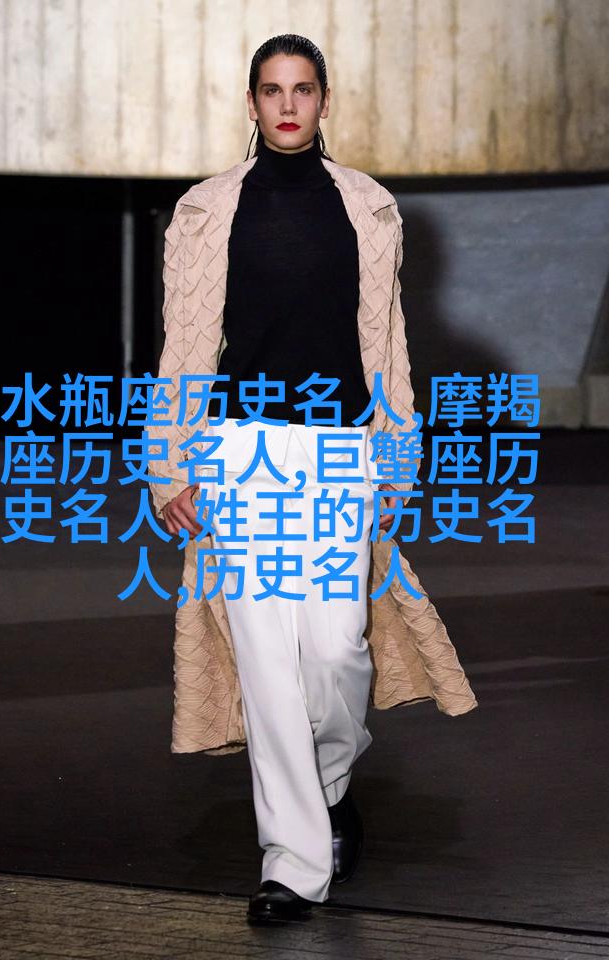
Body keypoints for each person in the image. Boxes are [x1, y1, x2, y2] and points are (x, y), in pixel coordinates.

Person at [149, 33, 478, 926]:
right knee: (265, 662)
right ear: (252, 102)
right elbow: (184, 344)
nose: (287, 105)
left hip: (340, 452)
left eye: (302, 89)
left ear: (325, 100)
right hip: (239, 449)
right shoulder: (207, 209)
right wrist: (168, 464)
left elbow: (390, 345)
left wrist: (398, 458)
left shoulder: (368, 206)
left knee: (336, 651)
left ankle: (330, 783)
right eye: (272, 90)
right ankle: (291, 863)